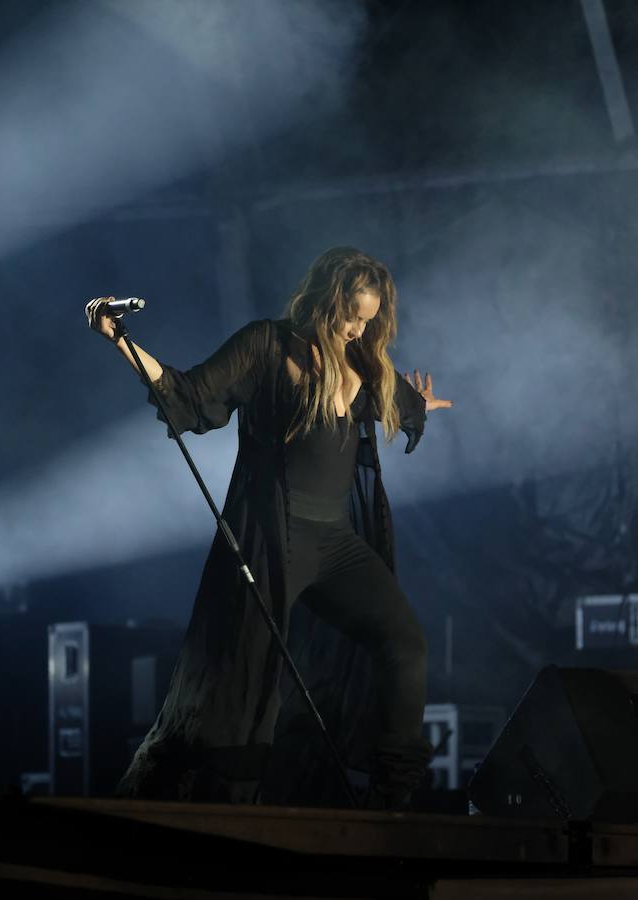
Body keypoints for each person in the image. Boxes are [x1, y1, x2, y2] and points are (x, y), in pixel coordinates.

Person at [85, 246, 452, 808]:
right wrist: (122, 343)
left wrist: (416, 404)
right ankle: (212, 810)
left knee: (404, 642)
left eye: (368, 319)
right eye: (352, 314)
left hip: (334, 544)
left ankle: (393, 794)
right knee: (244, 690)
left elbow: (398, 401)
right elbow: (191, 395)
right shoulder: (267, 344)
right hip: (271, 542)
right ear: (327, 301)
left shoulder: (367, 365)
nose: (358, 329)